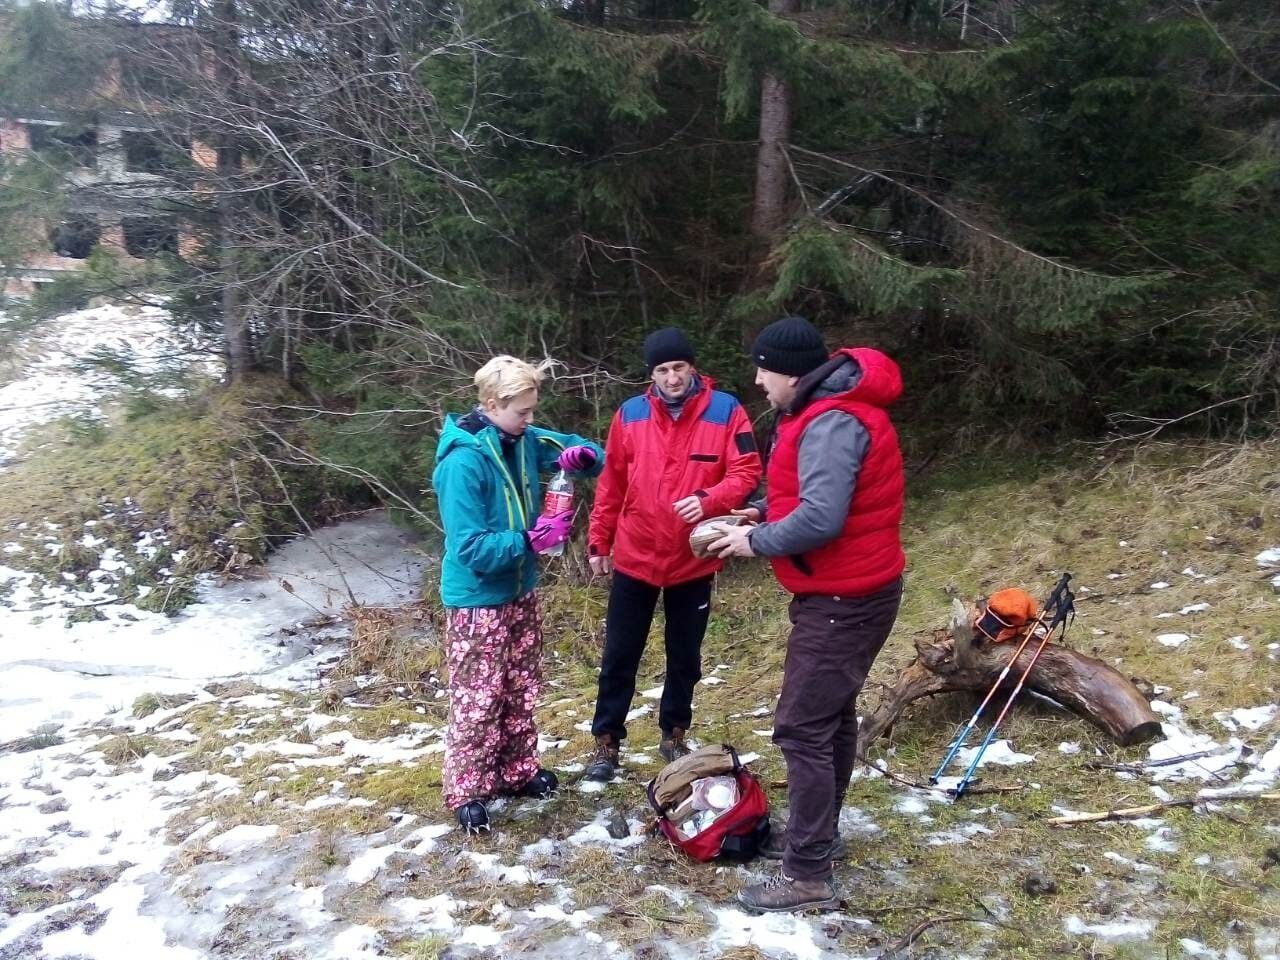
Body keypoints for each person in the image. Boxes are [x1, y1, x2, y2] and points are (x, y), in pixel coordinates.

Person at [709, 315, 905, 913]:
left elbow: (822, 518)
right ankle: (820, 837)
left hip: (845, 598)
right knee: (831, 718)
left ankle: (808, 874)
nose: (758, 380)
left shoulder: (834, 420)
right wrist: (757, 513)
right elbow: (805, 495)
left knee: (800, 728)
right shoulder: (823, 409)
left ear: (791, 371)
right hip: (849, 591)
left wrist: (753, 543)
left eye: (763, 368)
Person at [432, 355, 605, 832]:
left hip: (521, 588)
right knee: (479, 696)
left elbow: (586, 452)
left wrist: (583, 457)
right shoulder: (463, 462)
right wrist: (530, 539)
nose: (531, 421)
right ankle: (468, 788)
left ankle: (516, 770)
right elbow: (470, 547)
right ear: (492, 404)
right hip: (476, 600)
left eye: (533, 411)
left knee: (521, 685)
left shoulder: (524, 440)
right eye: (523, 412)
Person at [584, 327, 763, 781]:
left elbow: (747, 472)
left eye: (678, 367)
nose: (672, 378)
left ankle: (674, 733)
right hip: (635, 553)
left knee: (684, 654)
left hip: (692, 558)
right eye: (662, 370)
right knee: (620, 653)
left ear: (692, 367)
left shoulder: (726, 411)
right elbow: (612, 484)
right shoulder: (629, 415)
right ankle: (606, 743)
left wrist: (710, 499)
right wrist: (598, 540)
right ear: (652, 374)